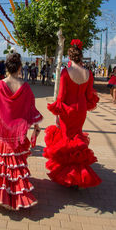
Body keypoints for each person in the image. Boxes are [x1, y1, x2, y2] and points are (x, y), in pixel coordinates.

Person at [0, 52, 43, 210]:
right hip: (19, 130)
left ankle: (1, 195)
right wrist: (36, 127)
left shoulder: (0, 85)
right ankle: (17, 193)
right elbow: (31, 108)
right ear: (20, 67)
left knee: (3, 162)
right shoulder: (25, 86)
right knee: (16, 162)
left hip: (4, 129)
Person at [43, 39, 101, 189]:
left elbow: (61, 96)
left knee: (66, 138)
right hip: (81, 110)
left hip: (67, 110)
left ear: (69, 57)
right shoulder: (88, 73)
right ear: (81, 57)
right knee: (77, 137)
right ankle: (78, 175)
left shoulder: (65, 72)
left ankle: (69, 176)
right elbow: (89, 96)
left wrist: (57, 113)